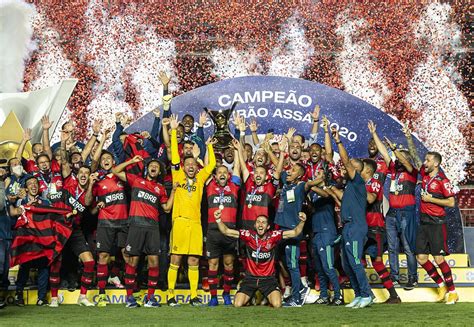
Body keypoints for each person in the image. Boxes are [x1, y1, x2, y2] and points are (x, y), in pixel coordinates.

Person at [166, 115, 216, 307]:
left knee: (194, 260)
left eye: (193, 165)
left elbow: (210, 165)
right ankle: (171, 295)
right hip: (179, 221)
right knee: (176, 259)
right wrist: (172, 131)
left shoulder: (201, 179)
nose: (190, 167)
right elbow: (176, 158)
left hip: (195, 224)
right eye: (187, 165)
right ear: (183, 167)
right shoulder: (177, 173)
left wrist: (209, 146)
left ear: (196, 166)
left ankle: (194, 296)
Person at [112, 156, 175, 308]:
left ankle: (150, 298)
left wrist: (173, 191)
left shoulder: (160, 188)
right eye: (151, 165)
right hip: (136, 225)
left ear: (159, 171)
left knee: (154, 262)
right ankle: (129, 298)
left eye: (157, 167)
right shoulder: (136, 180)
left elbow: (166, 208)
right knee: (133, 262)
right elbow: (115, 171)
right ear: (147, 168)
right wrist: (132, 161)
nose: (154, 167)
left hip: (153, 227)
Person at [214, 210, 307, 308]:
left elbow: (295, 232)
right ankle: (254, 295)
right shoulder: (249, 236)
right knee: (237, 304)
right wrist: (218, 219)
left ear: (268, 227)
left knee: (277, 304)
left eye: (263, 222)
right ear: (255, 226)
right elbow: (226, 231)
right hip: (250, 279)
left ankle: (263, 296)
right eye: (258, 222)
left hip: (268, 280)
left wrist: (302, 221)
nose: (260, 224)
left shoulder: (273, 236)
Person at [326, 128, 372, 309]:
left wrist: (338, 142)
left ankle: (367, 294)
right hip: (346, 227)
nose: (346, 167)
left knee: (354, 261)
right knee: (346, 264)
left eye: (351, 166)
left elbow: (345, 161)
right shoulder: (349, 188)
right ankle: (359, 294)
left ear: (357, 170)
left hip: (356, 227)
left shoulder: (358, 182)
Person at [370, 121, 419, 290]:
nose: (397, 161)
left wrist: (396, 151)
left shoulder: (412, 172)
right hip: (392, 213)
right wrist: (375, 134)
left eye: (401, 158)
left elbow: (404, 162)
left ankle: (412, 277)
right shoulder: (393, 171)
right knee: (391, 247)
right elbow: (384, 153)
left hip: (406, 212)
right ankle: (394, 277)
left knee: (407, 247)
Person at [85, 150, 129, 307]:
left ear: (114, 161)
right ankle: (102, 293)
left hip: (124, 222)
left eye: (108, 158)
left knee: (127, 255)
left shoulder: (122, 177)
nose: (105, 160)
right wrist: (90, 184)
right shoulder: (98, 180)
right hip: (105, 223)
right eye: (103, 159)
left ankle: (130, 295)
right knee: (103, 256)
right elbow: (88, 203)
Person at [416, 151, 458, 304]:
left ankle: (453, 292)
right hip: (423, 222)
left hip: (436, 223)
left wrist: (430, 199)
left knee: (439, 258)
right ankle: (441, 286)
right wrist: (408, 137)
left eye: (427, 160)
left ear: (436, 163)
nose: (424, 162)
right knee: (421, 258)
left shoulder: (442, 180)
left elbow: (451, 202)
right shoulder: (426, 176)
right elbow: (414, 156)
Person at [205, 143, 241, 306]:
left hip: (229, 231)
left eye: (224, 172)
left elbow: (239, 168)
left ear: (228, 175)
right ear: (215, 175)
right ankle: (213, 297)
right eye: (219, 172)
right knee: (212, 264)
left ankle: (226, 294)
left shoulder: (234, 186)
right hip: (213, 231)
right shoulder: (210, 186)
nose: (222, 174)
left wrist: (237, 151)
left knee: (228, 263)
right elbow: (207, 167)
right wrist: (208, 148)